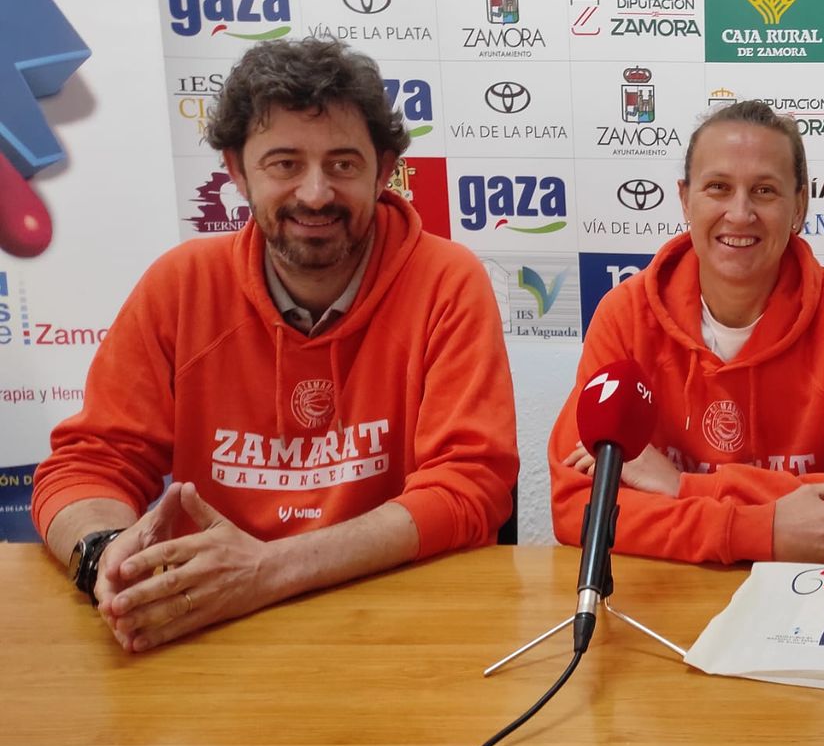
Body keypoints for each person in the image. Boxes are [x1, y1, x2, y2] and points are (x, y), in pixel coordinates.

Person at [31, 38, 518, 651]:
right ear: (237, 169)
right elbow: (89, 464)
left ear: (384, 167)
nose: (315, 194)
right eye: (284, 164)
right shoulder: (181, 284)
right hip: (207, 623)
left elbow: (470, 486)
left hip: (393, 624)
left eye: (343, 164)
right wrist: (105, 555)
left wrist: (270, 570)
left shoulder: (448, 280)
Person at [549, 100, 824, 565]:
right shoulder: (626, 315)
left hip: (805, 599)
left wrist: (682, 486)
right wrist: (759, 529)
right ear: (685, 199)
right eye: (718, 188)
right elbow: (577, 508)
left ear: (799, 205)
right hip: (668, 595)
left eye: (764, 191)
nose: (740, 213)